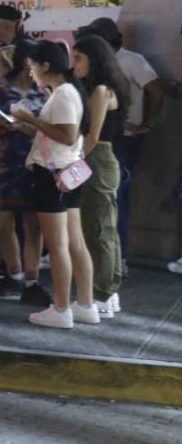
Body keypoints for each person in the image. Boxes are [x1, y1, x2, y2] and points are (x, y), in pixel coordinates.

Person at [11, 41, 100, 329]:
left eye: (32, 66)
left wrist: (31, 119)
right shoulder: (68, 92)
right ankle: (84, 304)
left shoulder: (62, 94)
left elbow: (67, 134)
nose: (31, 72)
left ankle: (61, 308)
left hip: (53, 176)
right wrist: (30, 126)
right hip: (67, 173)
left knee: (58, 244)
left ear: (46, 65)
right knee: (74, 242)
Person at [76, 17, 163, 260]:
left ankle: (118, 256)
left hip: (122, 138)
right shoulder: (97, 64)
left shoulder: (132, 60)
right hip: (102, 136)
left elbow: (156, 89)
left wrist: (148, 123)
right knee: (97, 198)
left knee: (115, 196)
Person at [0, 42, 51, 305]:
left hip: (34, 161)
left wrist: (33, 125)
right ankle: (14, 272)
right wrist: (6, 122)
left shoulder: (45, 89)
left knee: (33, 223)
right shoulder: (0, 87)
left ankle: (32, 279)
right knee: (2, 223)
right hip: (2, 161)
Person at [72, 34, 129, 318]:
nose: (74, 64)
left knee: (98, 230)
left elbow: (92, 136)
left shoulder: (100, 91)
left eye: (78, 57)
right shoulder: (103, 89)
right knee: (104, 228)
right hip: (100, 161)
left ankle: (102, 293)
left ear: (94, 58)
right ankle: (108, 290)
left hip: (98, 160)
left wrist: (74, 160)